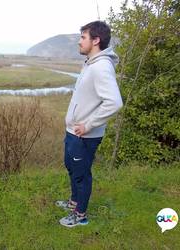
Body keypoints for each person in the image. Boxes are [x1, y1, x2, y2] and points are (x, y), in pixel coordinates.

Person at [56, 21, 123, 227]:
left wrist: (88, 125)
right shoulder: (90, 63)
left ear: (96, 40)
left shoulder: (101, 67)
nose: (79, 41)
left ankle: (80, 215)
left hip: (85, 134)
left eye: (83, 37)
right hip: (73, 132)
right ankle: (74, 202)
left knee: (81, 174)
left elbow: (114, 102)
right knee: (72, 167)